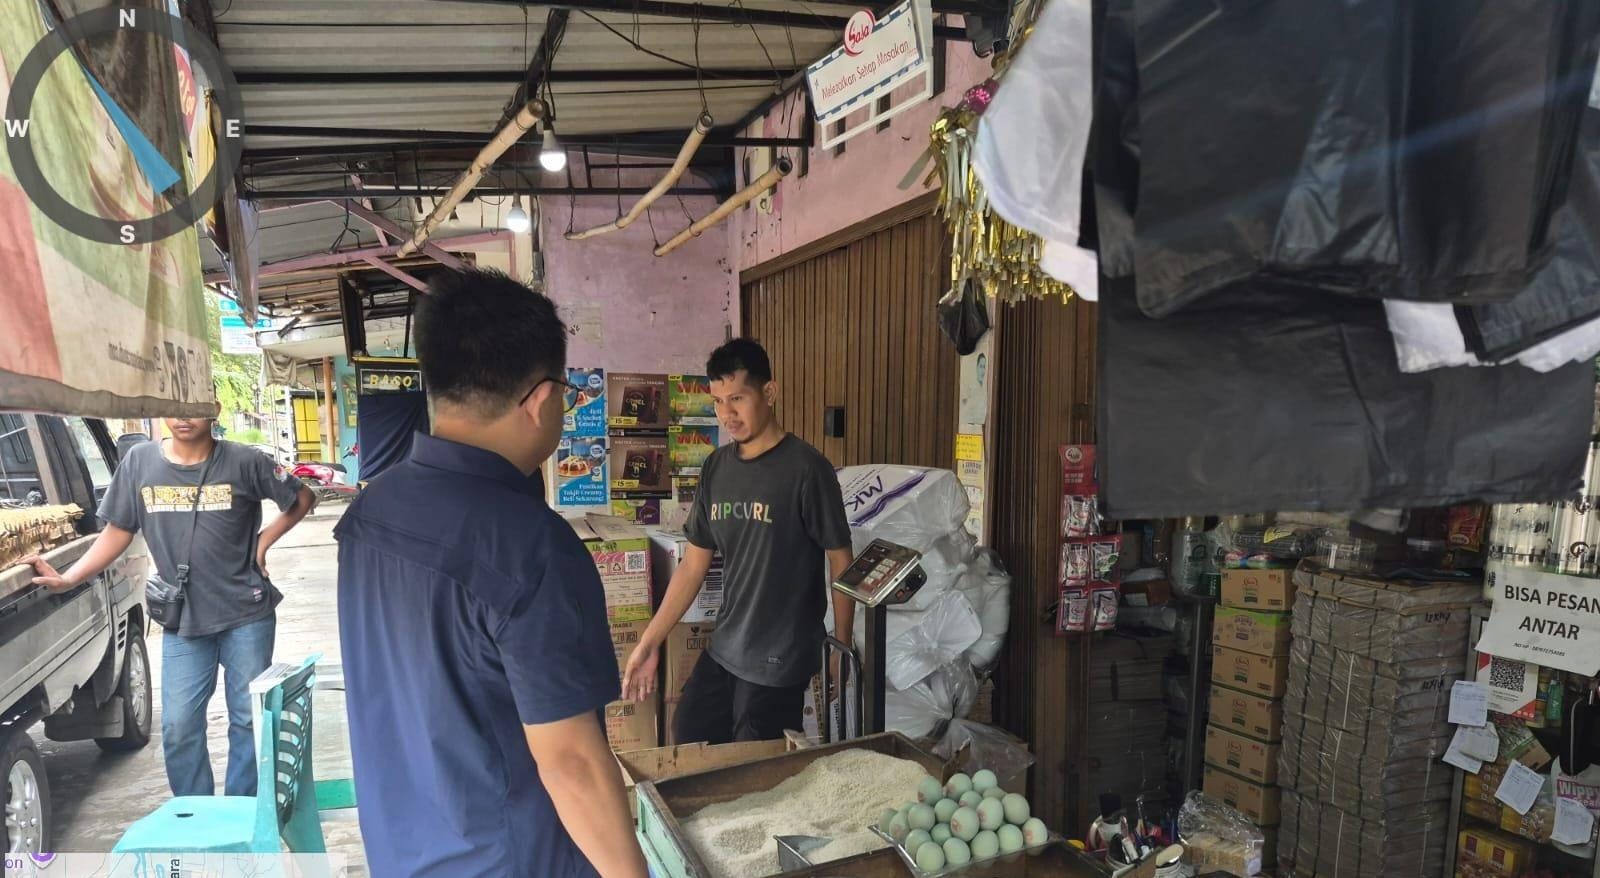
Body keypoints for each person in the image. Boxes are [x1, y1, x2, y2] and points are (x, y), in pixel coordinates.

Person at [333, 268, 647, 878]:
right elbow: (572, 765)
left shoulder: (370, 512)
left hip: (401, 852)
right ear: (541, 399)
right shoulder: (531, 547)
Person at [28, 415, 316, 797]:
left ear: (213, 408)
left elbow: (302, 497)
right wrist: (70, 578)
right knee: (179, 727)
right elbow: (118, 530)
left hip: (246, 613)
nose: (182, 418)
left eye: (193, 408)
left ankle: (243, 811)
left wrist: (262, 543)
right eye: (174, 408)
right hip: (184, 620)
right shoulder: (139, 462)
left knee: (249, 721)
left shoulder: (246, 461)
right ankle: (195, 816)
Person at [622, 338, 855, 744]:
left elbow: (840, 559)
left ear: (770, 393)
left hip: (779, 659)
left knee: (753, 764)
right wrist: (650, 640)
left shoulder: (806, 470)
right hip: (727, 645)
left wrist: (841, 645)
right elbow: (694, 566)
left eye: (737, 399)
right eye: (717, 402)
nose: (726, 414)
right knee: (688, 734)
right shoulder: (717, 468)